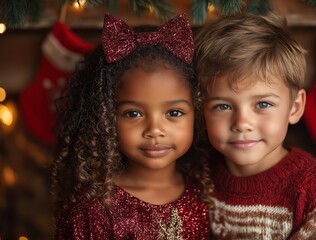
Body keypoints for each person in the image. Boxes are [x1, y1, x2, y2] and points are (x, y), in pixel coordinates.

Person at [50, 12, 213, 240]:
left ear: (196, 112)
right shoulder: (93, 212)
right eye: (133, 113)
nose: (154, 130)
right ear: (104, 117)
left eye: (174, 113)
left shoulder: (205, 194)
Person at [194, 13, 316, 239]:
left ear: (294, 108)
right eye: (223, 106)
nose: (242, 123)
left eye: (263, 104)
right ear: (202, 109)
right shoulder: (198, 170)